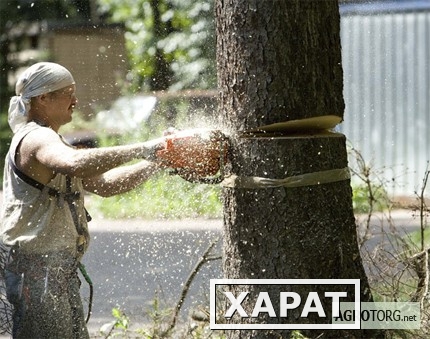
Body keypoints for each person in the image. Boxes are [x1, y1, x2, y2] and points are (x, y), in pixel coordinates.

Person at [0, 62, 167, 338]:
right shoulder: (36, 138)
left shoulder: (54, 141)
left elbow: (106, 185)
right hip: (38, 274)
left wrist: (158, 161)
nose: (75, 100)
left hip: (57, 273)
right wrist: (144, 149)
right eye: (68, 93)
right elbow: (76, 163)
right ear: (43, 98)